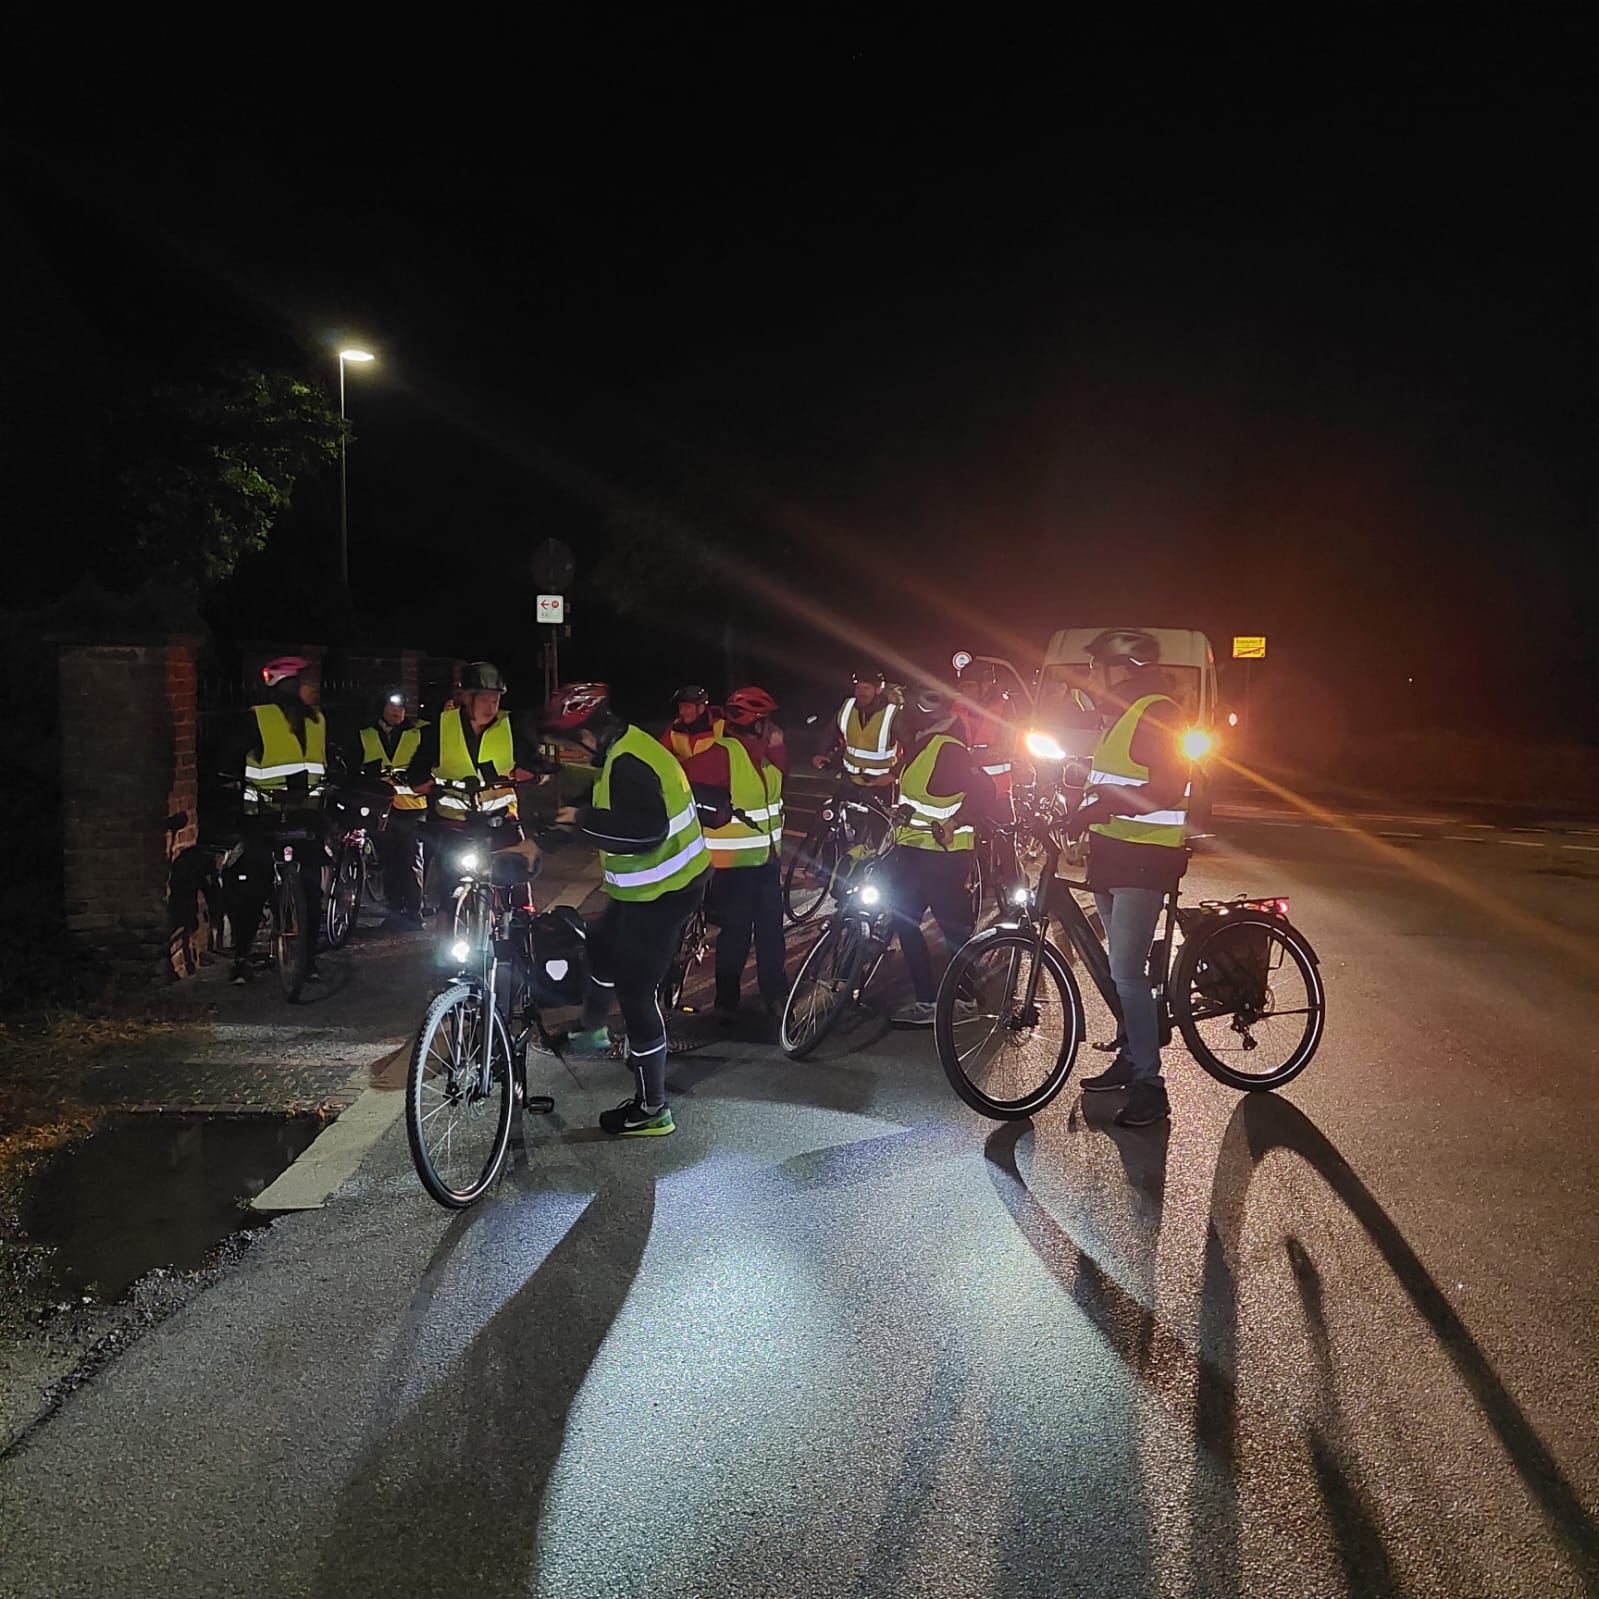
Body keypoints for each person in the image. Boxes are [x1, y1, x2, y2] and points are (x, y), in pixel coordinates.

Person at [540, 682, 711, 1137]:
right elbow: (599, 801)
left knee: (636, 993)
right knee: (600, 946)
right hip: (645, 889)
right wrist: (551, 836)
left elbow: (645, 833)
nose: (570, 753)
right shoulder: (623, 748)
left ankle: (653, 1109)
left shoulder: (629, 763)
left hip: (666, 891)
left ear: (586, 735)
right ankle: (593, 1032)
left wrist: (583, 822)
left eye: (569, 744)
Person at [1065, 628, 1192, 1128]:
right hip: (1113, 856)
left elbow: (1166, 787)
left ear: (1125, 669)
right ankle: (1130, 1054)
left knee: (1126, 973)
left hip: (1144, 859)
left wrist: (1103, 806)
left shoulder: (1158, 713)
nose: (1093, 675)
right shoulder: (1119, 715)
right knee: (1119, 967)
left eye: (1098, 666)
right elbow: (1112, 781)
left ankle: (1151, 1086)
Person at [883, 686, 996, 1026]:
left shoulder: (948, 748)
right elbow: (920, 797)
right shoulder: (921, 745)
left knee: (952, 929)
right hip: (915, 850)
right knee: (904, 919)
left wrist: (955, 822)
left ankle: (963, 1000)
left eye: (904, 713)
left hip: (943, 856)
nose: (899, 721)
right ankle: (927, 1002)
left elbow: (985, 791)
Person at [222, 655, 327, 985]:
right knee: (302, 890)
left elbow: (231, 756)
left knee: (259, 889)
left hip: (273, 816)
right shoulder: (309, 719)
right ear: (293, 687)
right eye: (308, 684)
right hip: (294, 815)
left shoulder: (269, 718)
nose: (314, 690)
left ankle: (245, 960)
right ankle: (305, 962)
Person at [688, 685, 788, 1028]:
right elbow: (680, 780)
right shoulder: (723, 754)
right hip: (733, 867)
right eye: (768, 721)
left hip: (767, 862)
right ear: (757, 723)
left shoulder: (765, 754)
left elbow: (780, 784)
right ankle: (726, 1003)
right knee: (736, 935)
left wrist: (777, 748)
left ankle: (776, 996)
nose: (774, 727)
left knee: (771, 932)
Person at [405, 660, 543, 856]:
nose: (491, 708)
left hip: (501, 821)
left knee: (518, 868)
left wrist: (531, 773)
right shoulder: (440, 728)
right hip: (453, 825)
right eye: (484, 701)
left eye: (495, 701)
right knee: (440, 872)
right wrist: (422, 783)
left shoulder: (512, 727)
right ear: (467, 698)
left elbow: (534, 763)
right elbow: (417, 770)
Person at [350, 684, 428, 929]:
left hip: (412, 807)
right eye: (392, 707)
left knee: (410, 859)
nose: (398, 712)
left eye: (402, 707)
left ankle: (413, 912)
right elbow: (355, 768)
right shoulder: (366, 735)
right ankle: (395, 911)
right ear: (381, 708)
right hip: (380, 808)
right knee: (389, 862)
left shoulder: (417, 733)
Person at [661, 685, 724, 761]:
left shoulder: (721, 728)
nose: (681, 712)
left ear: (701, 709)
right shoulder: (674, 730)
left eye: (687, 707)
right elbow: (661, 755)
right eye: (680, 707)